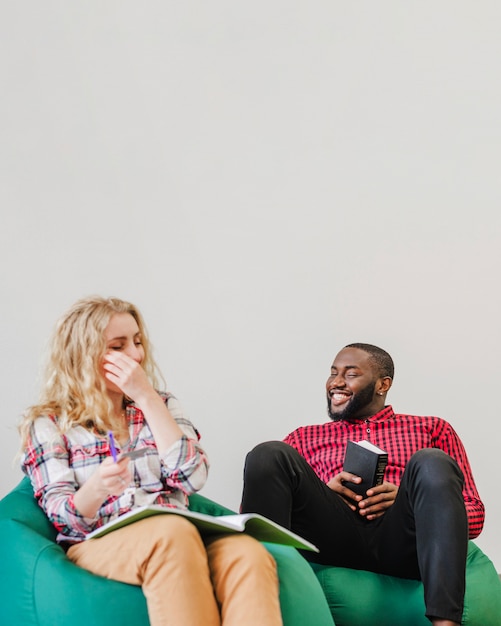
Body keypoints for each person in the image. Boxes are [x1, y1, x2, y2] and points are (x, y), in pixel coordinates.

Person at [19, 296, 282, 626]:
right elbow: (64, 519)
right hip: (101, 542)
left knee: (248, 554)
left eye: (137, 342)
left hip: (179, 535)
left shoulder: (163, 405)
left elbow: (192, 477)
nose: (135, 355)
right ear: (84, 357)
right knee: (171, 533)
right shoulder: (50, 424)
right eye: (118, 346)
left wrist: (146, 397)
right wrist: (97, 488)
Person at [240, 342, 485, 626]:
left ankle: (446, 623)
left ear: (383, 384)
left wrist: (417, 503)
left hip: (404, 539)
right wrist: (325, 491)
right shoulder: (303, 437)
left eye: (351, 374)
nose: (336, 383)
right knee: (268, 453)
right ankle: (261, 613)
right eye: (333, 373)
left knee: (432, 460)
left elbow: (474, 515)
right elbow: (257, 512)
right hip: (330, 536)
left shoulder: (432, 428)